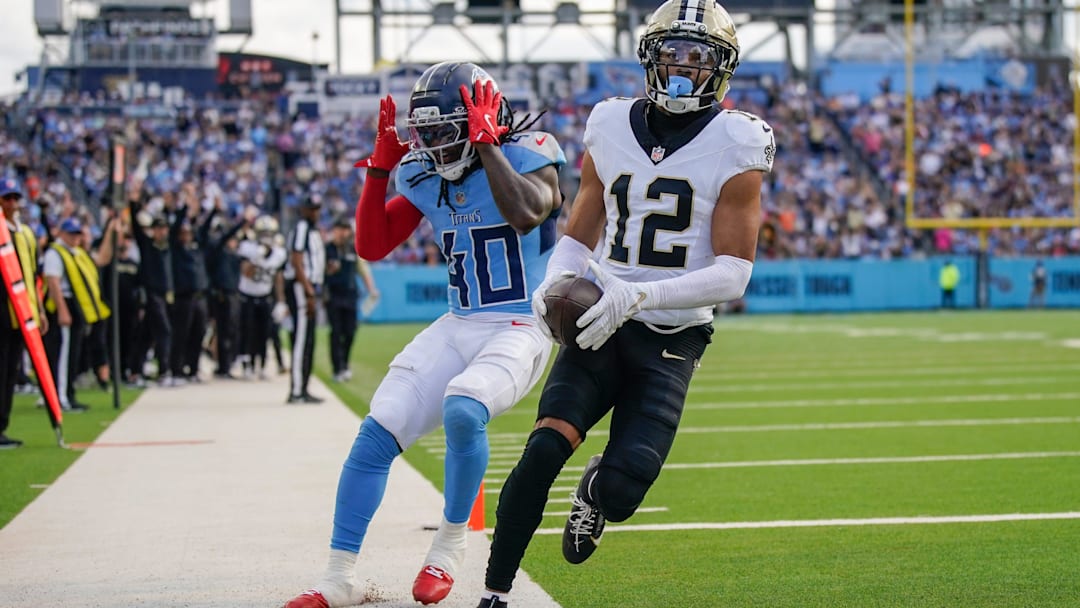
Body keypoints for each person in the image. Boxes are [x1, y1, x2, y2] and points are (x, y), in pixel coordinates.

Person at [476, 2, 772, 606]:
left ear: (722, 67)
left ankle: (595, 498)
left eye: (699, 55)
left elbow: (735, 274)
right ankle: (496, 592)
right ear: (650, 55)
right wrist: (553, 283)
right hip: (597, 321)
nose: (683, 65)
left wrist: (640, 293)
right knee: (540, 453)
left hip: (671, 332)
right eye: (672, 50)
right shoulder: (609, 123)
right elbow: (580, 227)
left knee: (625, 486)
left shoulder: (740, 138)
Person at [283, 61, 565, 608]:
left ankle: (449, 544)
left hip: (521, 321)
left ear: (480, 118)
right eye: (424, 133)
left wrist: (487, 147)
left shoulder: (532, 151)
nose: (432, 146)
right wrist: (376, 172)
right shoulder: (424, 174)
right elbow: (371, 245)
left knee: (464, 406)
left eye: (443, 131)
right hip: (460, 321)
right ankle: (338, 577)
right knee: (376, 430)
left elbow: (528, 212)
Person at [42, 216, 115, 412]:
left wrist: (109, 231)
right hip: (63, 304)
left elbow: (102, 258)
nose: (75, 238)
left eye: (77, 234)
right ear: (62, 233)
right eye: (71, 234)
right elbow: (53, 282)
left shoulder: (77, 253)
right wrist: (63, 311)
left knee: (72, 353)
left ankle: (68, 392)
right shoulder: (55, 253)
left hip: (77, 306)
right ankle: (61, 396)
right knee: (63, 354)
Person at [0, 179, 47, 448]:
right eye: (7, 199)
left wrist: (38, 308)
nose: (12, 204)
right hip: (3, 313)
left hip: (21, 312)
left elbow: (33, 275)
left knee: (10, 372)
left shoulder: (26, 233)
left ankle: (3, 425)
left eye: (15, 199)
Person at [324, 216, 379, 383]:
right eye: (340, 229)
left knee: (350, 332)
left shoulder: (352, 249)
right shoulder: (327, 249)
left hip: (350, 295)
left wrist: (371, 289)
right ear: (334, 231)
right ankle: (337, 368)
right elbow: (320, 271)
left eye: (346, 229)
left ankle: (345, 364)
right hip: (333, 295)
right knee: (336, 332)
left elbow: (362, 269)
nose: (343, 233)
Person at [284, 196, 327, 403]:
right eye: (312, 209)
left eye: (317, 209)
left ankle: (304, 387)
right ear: (303, 210)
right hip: (301, 287)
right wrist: (308, 290)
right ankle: (296, 391)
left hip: (311, 286)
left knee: (309, 339)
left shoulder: (313, 231)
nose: (315, 213)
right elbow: (296, 260)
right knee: (301, 340)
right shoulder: (301, 227)